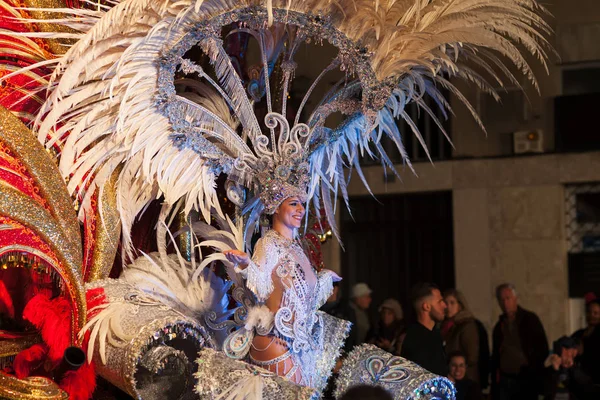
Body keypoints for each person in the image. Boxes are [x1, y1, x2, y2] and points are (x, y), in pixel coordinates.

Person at [223, 194, 341, 386]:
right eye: (293, 204)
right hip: (276, 341)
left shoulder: (297, 247)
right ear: (276, 208)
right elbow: (261, 283)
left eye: (302, 205)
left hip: (300, 345)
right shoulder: (268, 243)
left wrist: (325, 277)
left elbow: (305, 298)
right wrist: (246, 264)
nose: (301, 210)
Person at [492, 283, 549, 400]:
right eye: (501, 300)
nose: (505, 303)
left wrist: (532, 371)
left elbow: (542, 348)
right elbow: (496, 355)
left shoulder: (530, 320)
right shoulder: (499, 326)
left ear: (515, 299)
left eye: (508, 298)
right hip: (506, 380)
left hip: (526, 379)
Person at [401, 282, 448, 376]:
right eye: (439, 301)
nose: (445, 305)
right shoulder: (415, 340)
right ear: (426, 306)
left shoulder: (435, 334)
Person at [442, 289, 481, 384]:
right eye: (446, 303)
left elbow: (472, 355)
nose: (448, 307)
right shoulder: (444, 325)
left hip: (463, 378)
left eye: (452, 303)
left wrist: (459, 370)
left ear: (460, 306)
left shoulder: (467, 325)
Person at [543, 336, 600, 400]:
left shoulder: (577, 367)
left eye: (569, 351)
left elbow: (588, 387)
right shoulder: (550, 368)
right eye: (565, 350)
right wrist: (555, 369)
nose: (567, 355)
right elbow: (545, 390)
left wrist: (572, 367)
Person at [572, 299, 600, 384]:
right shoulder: (579, 334)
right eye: (589, 312)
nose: (591, 315)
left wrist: (583, 352)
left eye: (595, 313)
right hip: (580, 380)